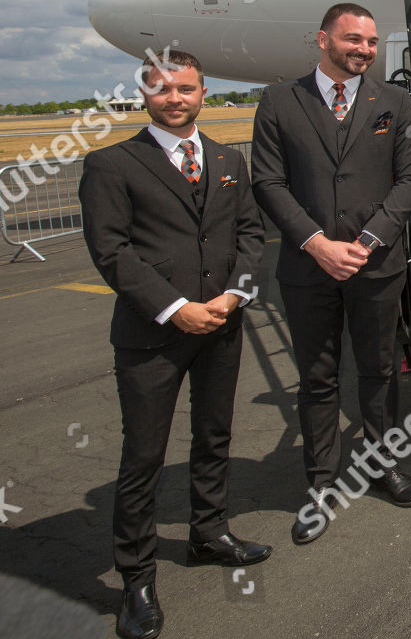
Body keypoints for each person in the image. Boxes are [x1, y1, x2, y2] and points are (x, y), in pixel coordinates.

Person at [79, 51, 269, 639]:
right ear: (144, 95)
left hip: (221, 322)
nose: (175, 98)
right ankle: (135, 578)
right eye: (162, 90)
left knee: (214, 436)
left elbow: (249, 235)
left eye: (185, 88)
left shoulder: (226, 159)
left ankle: (208, 533)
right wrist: (175, 308)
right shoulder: (112, 164)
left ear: (203, 92)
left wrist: (234, 298)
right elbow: (112, 251)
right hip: (153, 335)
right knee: (144, 456)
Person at [252, 2, 411, 543]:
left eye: (371, 43)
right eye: (353, 39)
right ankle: (321, 484)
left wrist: (369, 239)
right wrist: (317, 243)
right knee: (318, 379)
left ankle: (382, 464)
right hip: (309, 269)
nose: (364, 50)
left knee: (378, 372)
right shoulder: (280, 102)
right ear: (323, 39)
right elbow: (268, 182)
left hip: (376, 266)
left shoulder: (395, 102)